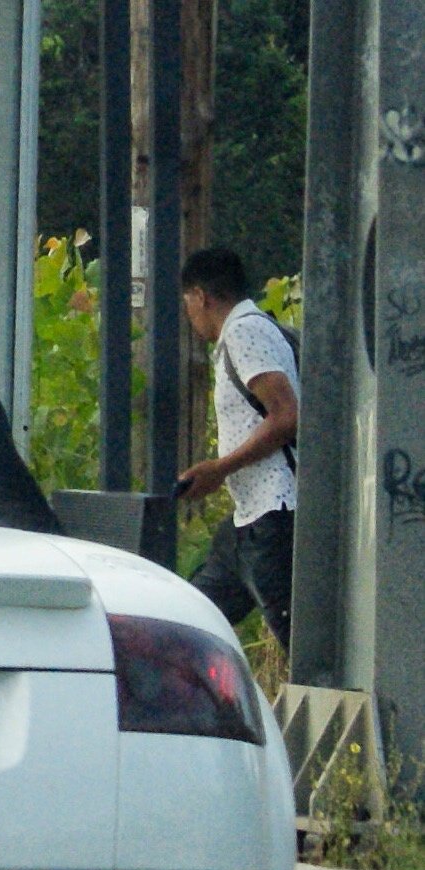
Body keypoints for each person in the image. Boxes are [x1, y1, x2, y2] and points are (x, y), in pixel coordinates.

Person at [175, 247, 300, 653]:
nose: (189, 315)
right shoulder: (248, 331)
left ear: (200, 296)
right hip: (248, 523)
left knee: (298, 645)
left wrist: (219, 468)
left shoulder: (245, 331)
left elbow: (285, 416)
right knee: (188, 617)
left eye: (187, 303)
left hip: (274, 518)